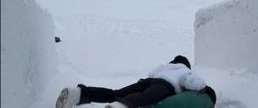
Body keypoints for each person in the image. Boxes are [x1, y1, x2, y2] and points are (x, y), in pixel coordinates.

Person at [56, 55, 216, 108]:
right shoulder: (184, 71)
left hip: (147, 81)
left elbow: (151, 73)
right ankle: (122, 106)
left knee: (115, 93)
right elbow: (196, 84)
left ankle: (80, 94)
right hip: (164, 87)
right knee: (145, 98)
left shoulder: (165, 67)